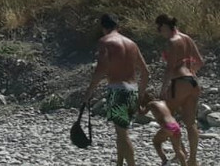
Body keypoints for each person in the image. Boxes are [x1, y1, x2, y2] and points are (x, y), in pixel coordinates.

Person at [83, 14, 149, 166]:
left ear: (104, 28)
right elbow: (145, 72)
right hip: (132, 89)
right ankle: (119, 163)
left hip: (117, 89)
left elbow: (100, 70)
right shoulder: (132, 43)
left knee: (122, 133)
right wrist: (140, 96)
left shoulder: (105, 42)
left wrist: (89, 92)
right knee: (121, 131)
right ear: (118, 27)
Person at [157, 14, 203, 166]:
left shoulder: (172, 41)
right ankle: (193, 160)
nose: (159, 31)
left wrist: (163, 89)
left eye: (160, 28)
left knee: (167, 118)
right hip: (193, 82)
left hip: (179, 82)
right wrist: (191, 72)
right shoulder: (187, 38)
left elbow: (170, 68)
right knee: (191, 123)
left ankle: (180, 153)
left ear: (164, 26)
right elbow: (200, 61)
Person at [140, 94, 189, 166]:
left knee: (156, 142)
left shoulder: (150, 104)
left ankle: (164, 161)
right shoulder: (163, 102)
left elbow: (142, 112)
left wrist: (138, 104)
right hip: (175, 125)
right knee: (178, 149)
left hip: (167, 126)